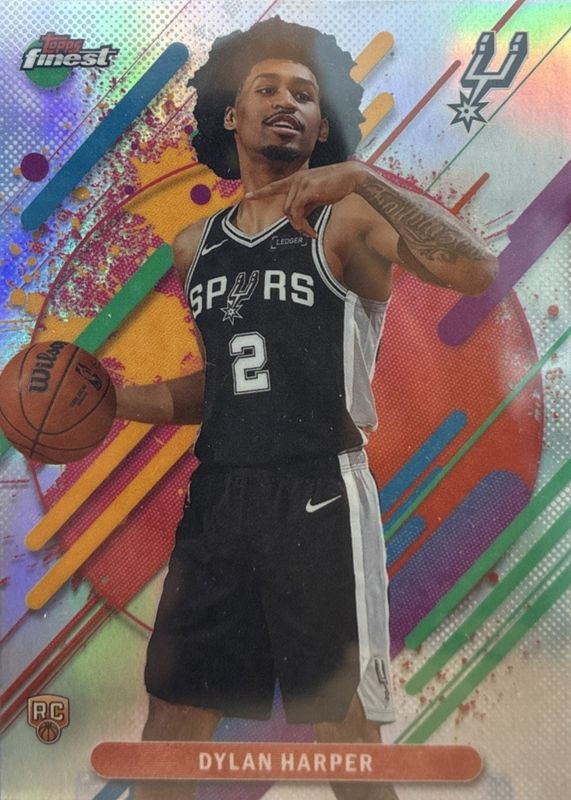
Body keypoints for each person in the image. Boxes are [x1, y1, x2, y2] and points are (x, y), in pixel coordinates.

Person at [115, 17, 498, 800]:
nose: (286, 101)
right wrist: (115, 400)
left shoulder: (349, 217)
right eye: (268, 89)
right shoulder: (194, 247)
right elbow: (227, 382)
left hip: (317, 492)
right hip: (220, 498)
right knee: (171, 728)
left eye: (304, 94)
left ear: (322, 127)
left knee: (345, 740)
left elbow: (474, 270)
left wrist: (363, 179)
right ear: (233, 115)